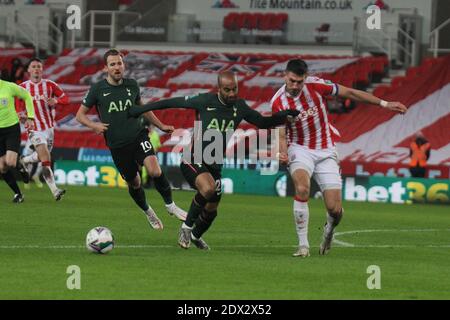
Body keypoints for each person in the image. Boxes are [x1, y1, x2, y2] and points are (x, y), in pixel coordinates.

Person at [128, 71, 300, 250]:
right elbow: (172, 102)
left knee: (211, 210)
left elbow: (263, 123)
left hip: (214, 163)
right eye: (227, 90)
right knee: (208, 188)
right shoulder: (205, 101)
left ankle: (195, 236)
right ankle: (186, 229)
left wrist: (284, 115)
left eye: (235, 89)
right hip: (192, 159)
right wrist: (140, 110)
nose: (232, 93)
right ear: (219, 89)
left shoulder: (240, 106)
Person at [271, 59, 408, 258]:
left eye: (299, 82)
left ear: (305, 78)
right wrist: (281, 152)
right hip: (299, 148)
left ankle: (329, 230)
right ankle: (303, 246)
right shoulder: (277, 102)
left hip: (326, 148)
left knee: (335, 210)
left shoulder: (317, 86)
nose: (295, 86)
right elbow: (281, 134)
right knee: (302, 188)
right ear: (285, 75)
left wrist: (385, 104)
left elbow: (351, 93)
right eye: (292, 81)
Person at [76, 49, 187, 230]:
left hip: (138, 136)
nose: (117, 67)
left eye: (119, 63)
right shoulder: (97, 89)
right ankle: (148, 211)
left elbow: (143, 108)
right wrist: (94, 126)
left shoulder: (132, 85)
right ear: (106, 68)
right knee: (134, 183)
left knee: (154, 170)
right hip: (117, 145)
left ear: (124, 65)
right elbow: (80, 115)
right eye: (112, 64)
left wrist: (161, 126)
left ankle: (170, 206)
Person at [19, 58, 68, 200]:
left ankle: (25, 160)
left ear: (42, 69)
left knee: (42, 158)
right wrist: (20, 114)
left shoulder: (50, 85)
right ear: (28, 70)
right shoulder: (22, 87)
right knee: (46, 158)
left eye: (38, 66)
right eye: (33, 66)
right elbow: (15, 104)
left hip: (49, 129)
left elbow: (66, 99)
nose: (36, 69)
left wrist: (56, 100)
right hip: (34, 128)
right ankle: (55, 191)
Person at [0, 78, 35, 203]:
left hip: (11, 129)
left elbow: (26, 95)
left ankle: (20, 164)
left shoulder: (9, 86)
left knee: (10, 162)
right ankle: (18, 194)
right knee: (2, 168)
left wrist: (30, 116)